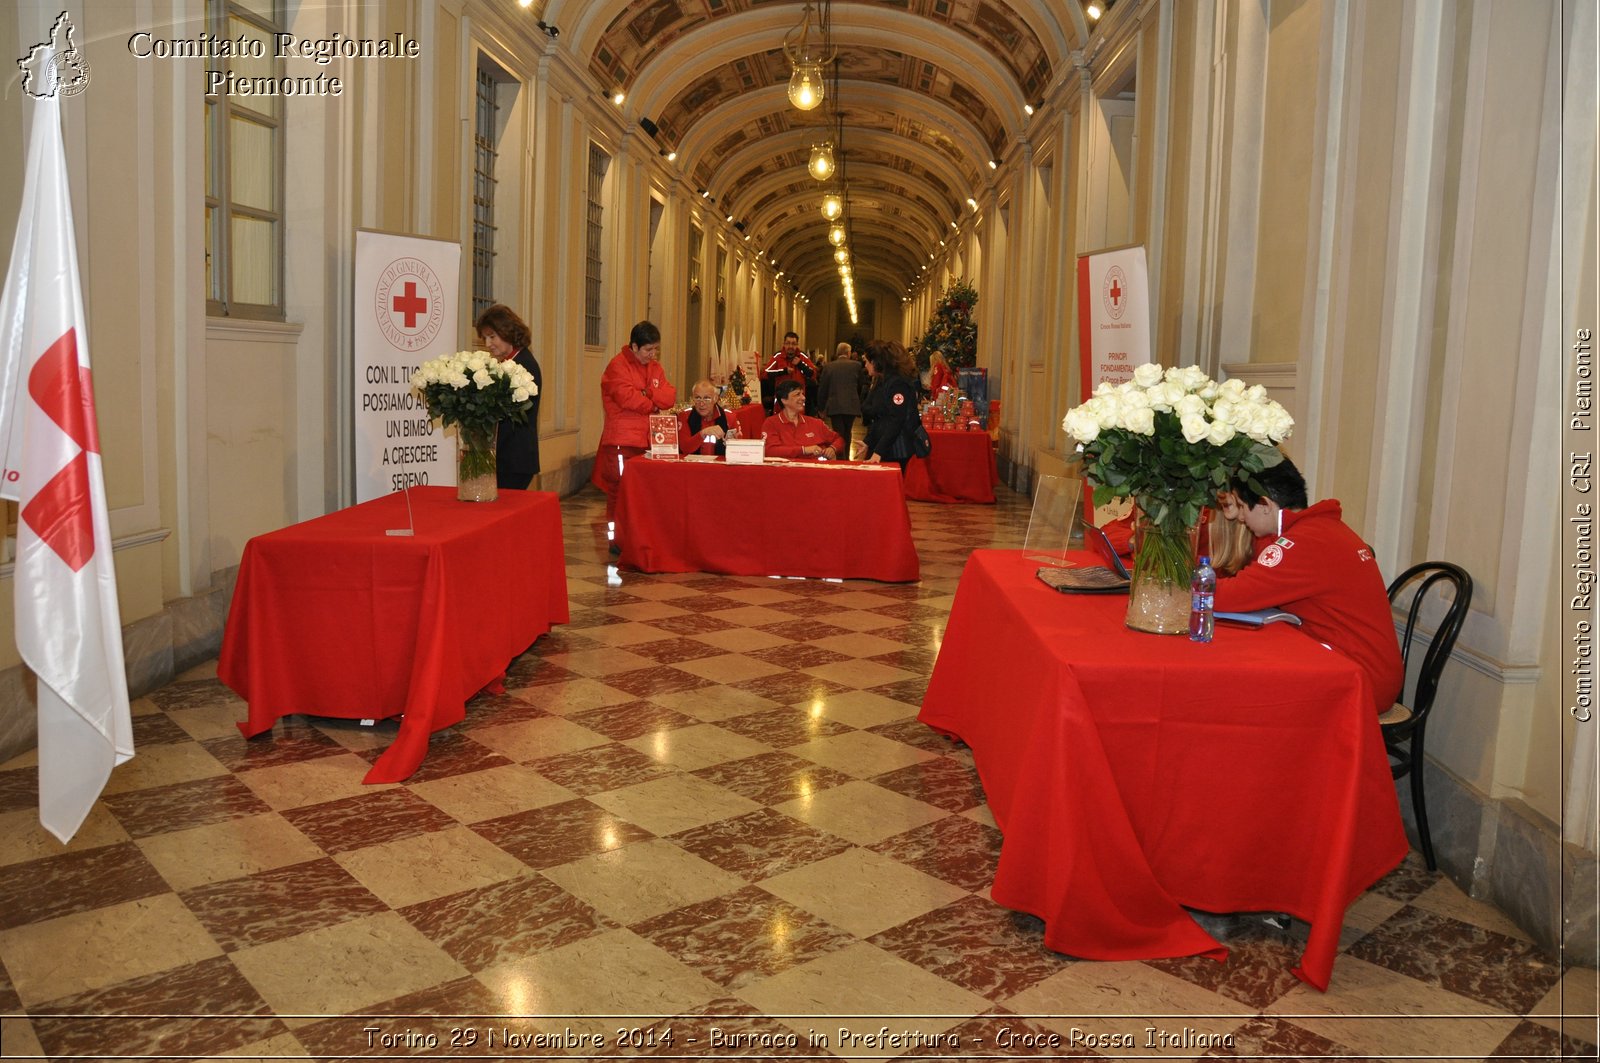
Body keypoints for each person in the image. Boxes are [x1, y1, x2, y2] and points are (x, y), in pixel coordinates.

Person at [1213, 458, 1403, 713]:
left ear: (1265, 505)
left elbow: (1231, 596)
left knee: (1243, 686)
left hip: (1359, 679)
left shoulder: (1304, 543)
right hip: (1365, 667)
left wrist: (1182, 586)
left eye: (1242, 507)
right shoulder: (1317, 529)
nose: (1241, 518)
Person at [591, 320, 677, 536]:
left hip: (649, 442)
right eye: (649, 349)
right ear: (635, 347)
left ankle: (635, 537)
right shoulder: (617, 366)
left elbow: (670, 396)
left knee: (642, 492)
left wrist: (647, 394)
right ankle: (616, 538)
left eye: (656, 349)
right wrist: (652, 400)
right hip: (622, 442)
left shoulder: (655, 368)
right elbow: (627, 399)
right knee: (619, 491)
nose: (653, 355)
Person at [474, 304, 542, 490]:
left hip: (513, 459)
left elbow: (513, 417)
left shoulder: (524, 366)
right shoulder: (510, 362)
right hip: (507, 458)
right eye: (485, 338)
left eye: (492, 337)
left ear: (508, 332)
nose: (488, 344)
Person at [861, 338, 921, 470]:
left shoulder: (897, 384)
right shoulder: (882, 381)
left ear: (875, 362)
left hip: (894, 449)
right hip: (883, 445)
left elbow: (896, 420)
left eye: (867, 361)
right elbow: (878, 416)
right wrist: (869, 441)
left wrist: (879, 452)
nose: (865, 366)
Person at [761, 379, 845, 459]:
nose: (803, 398)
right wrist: (804, 450)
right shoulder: (771, 423)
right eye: (797, 394)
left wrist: (832, 448)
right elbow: (769, 451)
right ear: (784, 400)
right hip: (785, 471)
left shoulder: (816, 423)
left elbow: (839, 439)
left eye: (802, 394)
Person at [815, 342, 863, 455]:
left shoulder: (828, 366)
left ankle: (841, 457)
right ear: (848, 353)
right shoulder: (857, 365)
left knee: (838, 432)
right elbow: (861, 385)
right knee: (848, 431)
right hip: (851, 405)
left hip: (835, 405)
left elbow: (823, 388)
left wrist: (821, 408)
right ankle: (845, 456)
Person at [762, 330, 817, 414]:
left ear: (797, 345)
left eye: (793, 344)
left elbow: (813, 374)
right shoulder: (778, 356)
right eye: (788, 343)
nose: (790, 346)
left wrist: (800, 364)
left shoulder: (802, 357)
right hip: (781, 401)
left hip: (798, 400)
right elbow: (765, 373)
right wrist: (783, 371)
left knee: (798, 424)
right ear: (784, 344)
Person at [678, 379, 732, 456]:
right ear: (693, 398)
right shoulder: (685, 416)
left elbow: (738, 449)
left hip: (720, 466)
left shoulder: (729, 417)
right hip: (694, 466)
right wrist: (702, 433)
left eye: (707, 398)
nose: (702, 403)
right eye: (698, 398)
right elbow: (684, 448)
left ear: (715, 398)